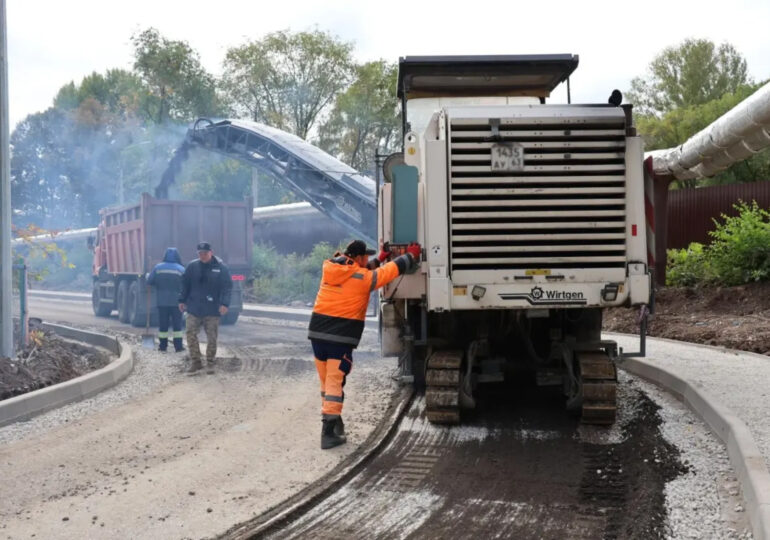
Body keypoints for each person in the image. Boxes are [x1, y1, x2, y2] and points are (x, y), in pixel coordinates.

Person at [308, 239, 421, 449]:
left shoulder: (333, 269)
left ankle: (334, 420)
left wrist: (380, 257)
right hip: (339, 337)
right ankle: (328, 433)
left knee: (326, 383)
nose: (368, 259)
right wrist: (411, 255)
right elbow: (387, 272)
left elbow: (360, 272)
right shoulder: (362, 279)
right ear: (359, 257)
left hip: (317, 334)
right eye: (366, 257)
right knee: (334, 384)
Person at [178, 242, 232, 374]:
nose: (202, 256)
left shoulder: (220, 268)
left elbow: (227, 287)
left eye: (205, 253)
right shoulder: (192, 266)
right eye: (200, 253)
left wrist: (225, 304)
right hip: (194, 307)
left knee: (212, 337)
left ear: (211, 253)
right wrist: (182, 300)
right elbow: (185, 284)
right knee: (190, 333)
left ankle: (210, 363)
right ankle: (196, 362)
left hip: (212, 309)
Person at [146, 247, 185, 352]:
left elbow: (149, 281)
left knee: (163, 325)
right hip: (177, 302)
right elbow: (185, 284)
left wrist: (147, 276)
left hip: (162, 302)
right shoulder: (181, 269)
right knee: (177, 326)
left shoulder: (158, 268)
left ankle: (162, 346)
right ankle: (178, 347)